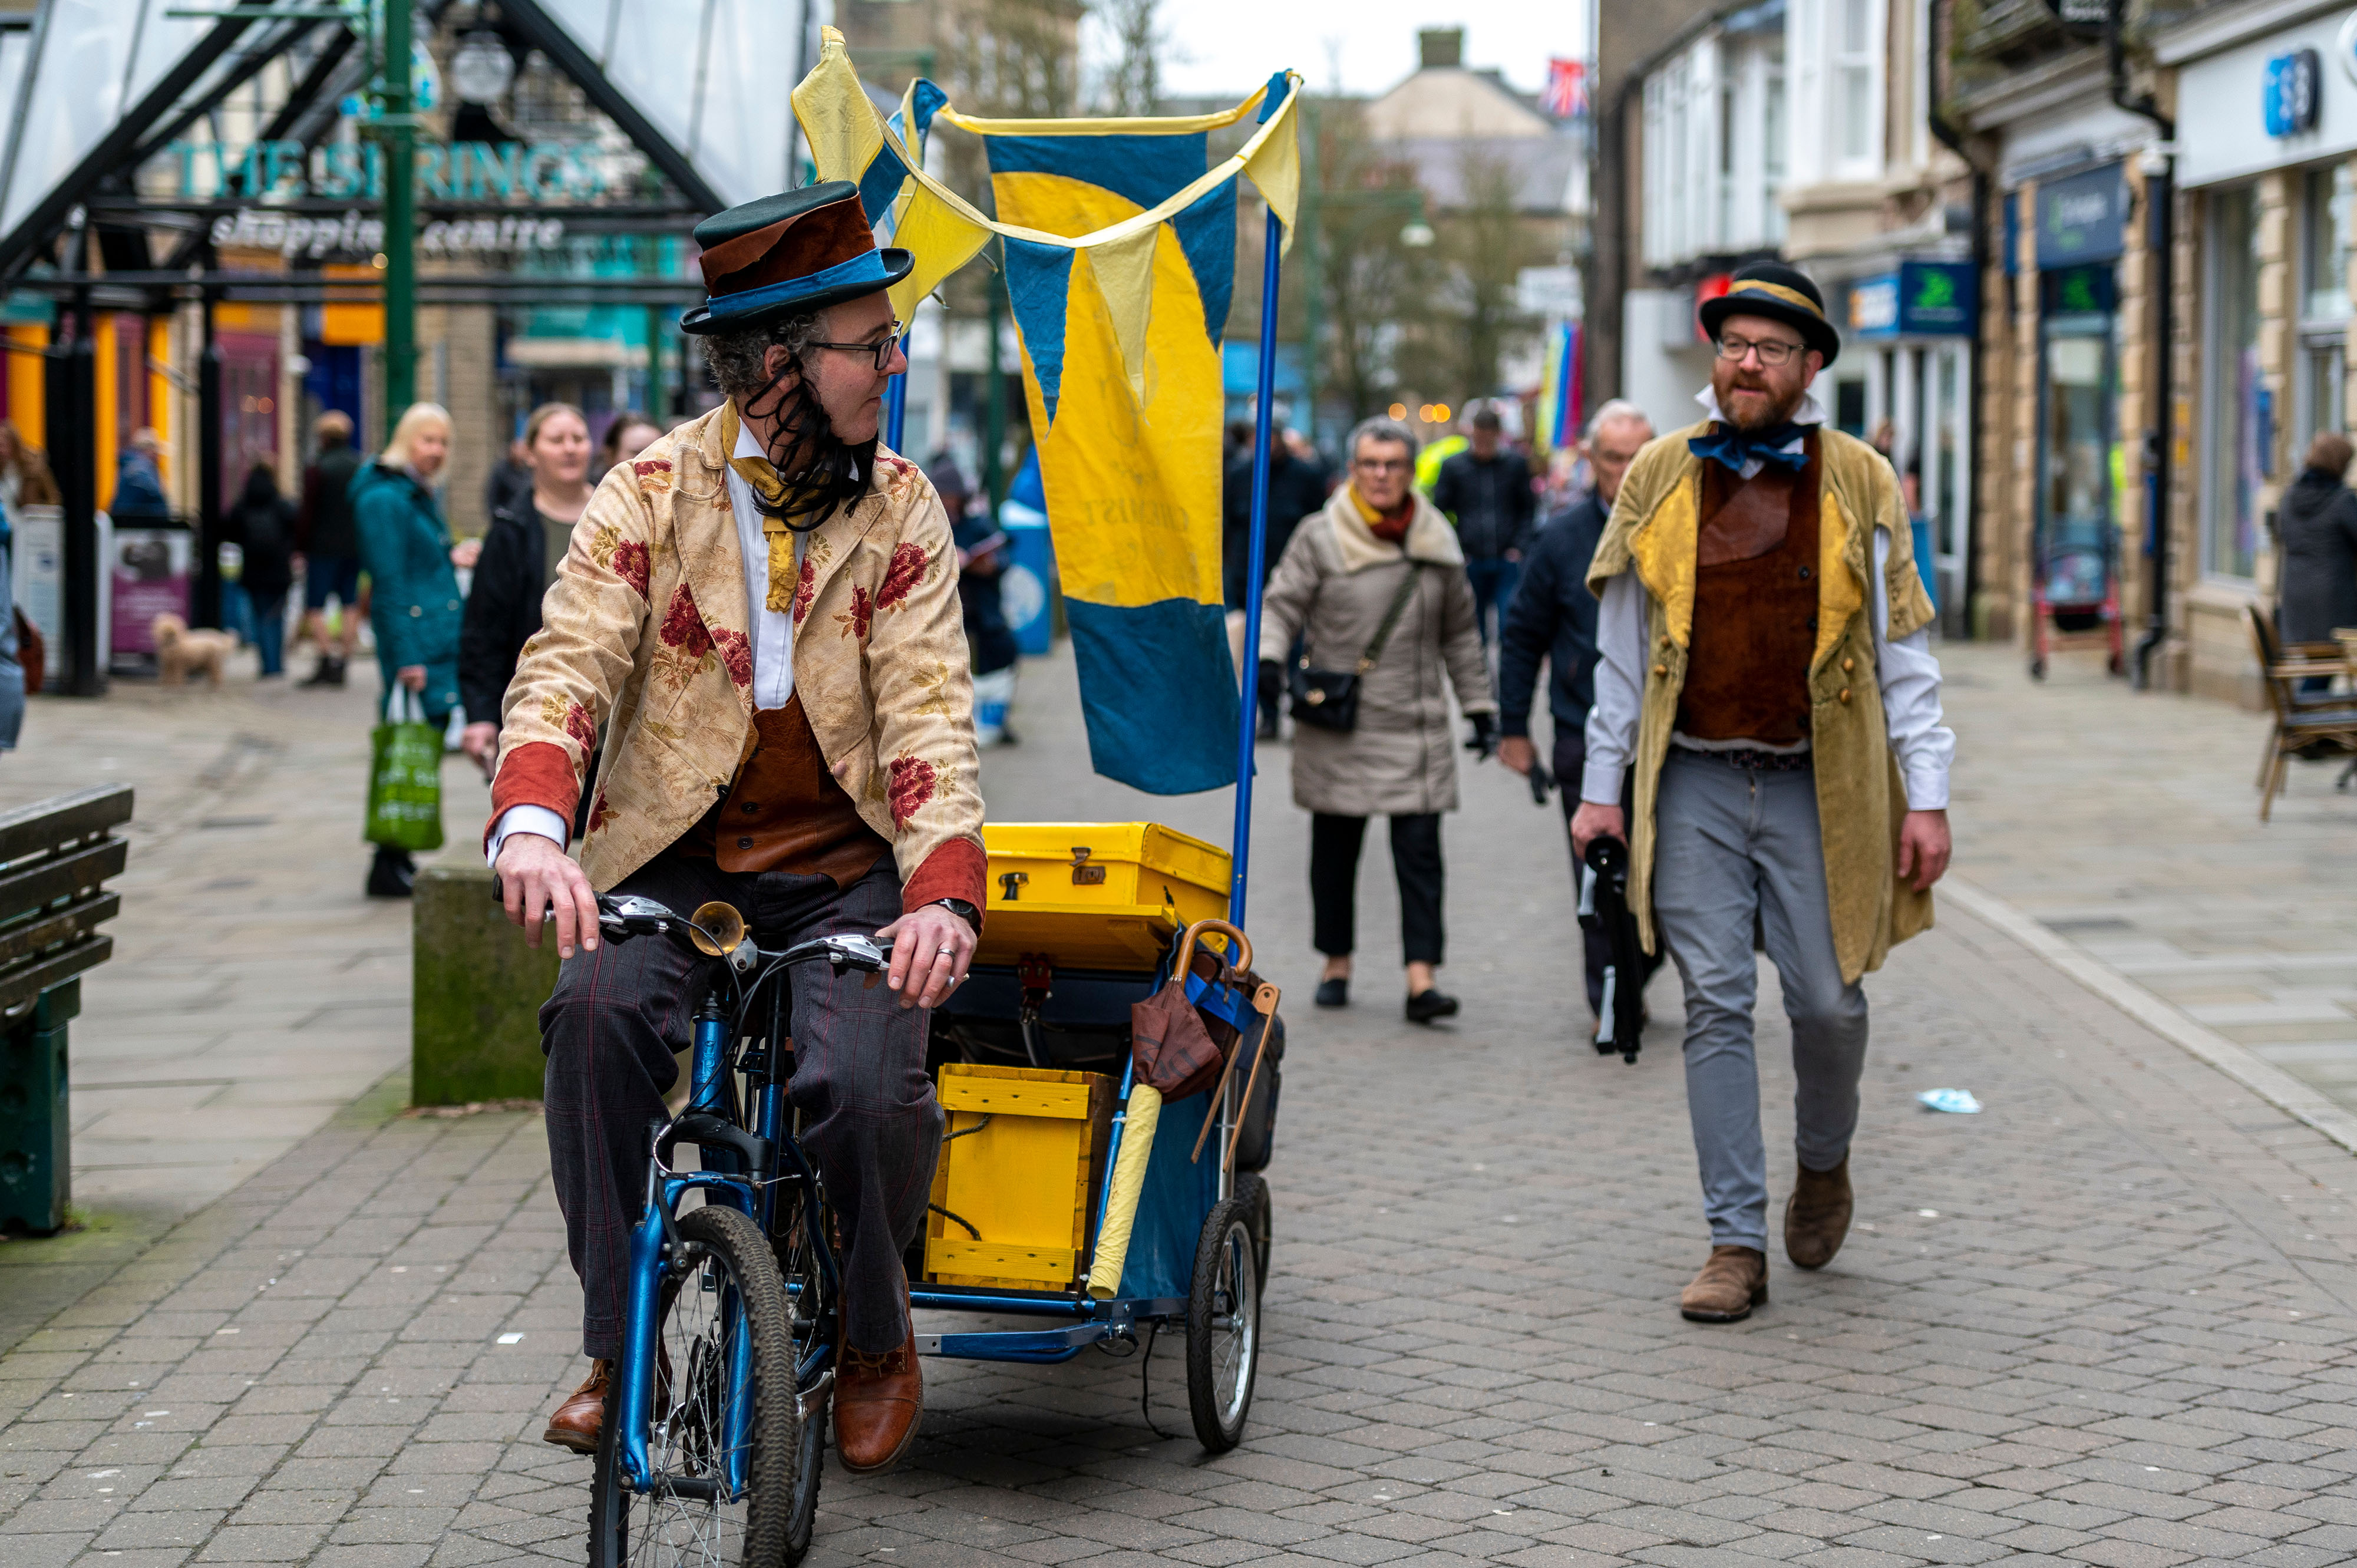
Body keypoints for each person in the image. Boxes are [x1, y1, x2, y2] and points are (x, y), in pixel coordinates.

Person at [486, 183, 983, 1477]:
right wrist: (535, 824)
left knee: (864, 1088)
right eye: (869, 344)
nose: (892, 363)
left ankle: (874, 1335)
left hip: (841, 872)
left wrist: (940, 894)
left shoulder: (904, 507)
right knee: (588, 1024)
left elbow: (928, 711)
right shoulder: (649, 488)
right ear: (778, 364)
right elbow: (570, 662)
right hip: (674, 856)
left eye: (891, 340)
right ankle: (618, 1339)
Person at [1570, 262, 1955, 1323]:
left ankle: (1823, 1163)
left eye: (1772, 347)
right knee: (1716, 1007)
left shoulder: (1860, 479)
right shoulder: (1656, 474)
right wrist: (1602, 790)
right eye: (1735, 343)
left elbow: (1904, 654)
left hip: (1815, 782)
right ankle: (1734, 1241)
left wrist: (1928, 795)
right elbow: (1622, 654)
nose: (1748, 362)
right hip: (1692, 772)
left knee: (1829, 1005)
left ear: (1810, 364)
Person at [1257, 415, 1497, 1024]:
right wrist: (1266, 660)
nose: (1382, 475)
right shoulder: (1320, 536)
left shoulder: (1436, 541)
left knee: (1420, 857)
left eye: (1393, 465)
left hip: (1415, 726)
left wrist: (1478, 706)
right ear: (1353, 469)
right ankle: (1336, 961)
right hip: (1339, 721)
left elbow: (1462, 634)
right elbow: (1281, 603)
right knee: (1335, 852)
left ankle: (1422, 979)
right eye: (1370, 464)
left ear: (1410, 470)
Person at [1496, 400, 1665, 1039]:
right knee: (1601, 875)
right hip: (1582, 733)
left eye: (1638, 458)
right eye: (1613, 458)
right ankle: (1611, 998)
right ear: (1591, 460)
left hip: (1669, 740)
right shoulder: (1562, 540)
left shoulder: (1681, 527)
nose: (1625, 471)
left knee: (1670, 882)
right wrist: (1514, 727)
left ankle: (1642, 964)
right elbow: (1522, 635)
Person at [354, 402, 470, 899]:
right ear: (405, 440)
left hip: (435, 638)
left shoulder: (413, 493)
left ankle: (395, 854)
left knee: (419, 746)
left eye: (442, 442)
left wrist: (450, 555)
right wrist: (406, 657)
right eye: (427, 440)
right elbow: (391, 581)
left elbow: (417, 561)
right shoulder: (384, 498)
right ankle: (387, 857)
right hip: (418, 644)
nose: (435, 451)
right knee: (409, 747)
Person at [459, 403, 595, 776]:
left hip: (614, 706)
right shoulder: (511, 529)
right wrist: (481, 714)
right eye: (556, 440)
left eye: (578, 439)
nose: (569, 448)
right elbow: (484, 629)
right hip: (537, 703)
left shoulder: (617, 514)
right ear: (530, 454)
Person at [1223, 421, 1332, 738]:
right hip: (1250, 579)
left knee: (1298, 649)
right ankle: (1269, 715)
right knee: (1261, 652)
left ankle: (1300, 706)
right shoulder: (1240, 475)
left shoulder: (1306, 476)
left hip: (1297, 579)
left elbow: (1319, 523)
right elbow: (1230, 523)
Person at [1431, 406, 1536, 651]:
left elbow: (1528, 509)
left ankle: (1506, 681)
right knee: (1472, 630)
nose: (1484, 445)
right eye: (1480, 439)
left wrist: (1519, 546)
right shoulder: (1454, 467)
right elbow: (1439, 512)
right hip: (1471, 559)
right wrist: (1456, 546)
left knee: (1509, 626)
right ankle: (1481, 682)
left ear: (1498, 435)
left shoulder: (1515, 465)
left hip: (1506, 559)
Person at [2275, 431, 2357, 684]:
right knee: (2324, 669)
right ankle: (2301, 716)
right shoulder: (2341, 500)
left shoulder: (2289, 497)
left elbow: (2281, 533)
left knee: (2317, 666)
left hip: (2296, 598)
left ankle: (2301, 713)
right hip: (2333, 599)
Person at [296, 411, 368, 686]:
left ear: (323, 438)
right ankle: (344, 661)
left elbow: (308, 512)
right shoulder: (359, 467)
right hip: (353, 546)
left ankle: (326, 658)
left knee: (315, 605)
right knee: (349, 603)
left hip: (322, 547)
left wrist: (300, 546)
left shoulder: (318, 468)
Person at [223, 465, 296, 678]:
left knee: (259, 616)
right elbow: (294, 532)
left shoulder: (243, 505)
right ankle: (275, 664)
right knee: (275, 617)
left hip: (253, 571)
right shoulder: (282, 505)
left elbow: (230, 532)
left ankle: (266, 664)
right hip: (279, 571)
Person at [112, 428, 171, 518]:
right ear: (146, 450)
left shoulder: (130, 468)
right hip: (138, 528)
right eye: (155, 452)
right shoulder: (140, 472)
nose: (158, 457)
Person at [593, 411, 663, 484]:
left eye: (656, 455)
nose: (649, 463)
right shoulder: (596, 494)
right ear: (610, 455)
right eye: (638, 454)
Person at [484, 434, 533, 523]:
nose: (521, 452)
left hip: (522, 520)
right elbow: (492, 496)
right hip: (504, 519)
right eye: (518, 449)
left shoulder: (527, 471)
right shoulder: (501, 470)